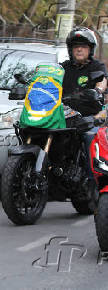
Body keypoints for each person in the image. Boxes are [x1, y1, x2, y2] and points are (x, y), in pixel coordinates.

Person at [61, 26, 108, 187]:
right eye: (76, 46)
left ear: (90, 49)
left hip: (89, 117)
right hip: (65, 115)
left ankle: (93, 182)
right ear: (70, 49)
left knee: (90, 137)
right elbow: (50, 79)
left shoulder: (96, 67)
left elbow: (102, 80)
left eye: (83, 46)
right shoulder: (64, 67)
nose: (79, 49)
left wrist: (98, 90)